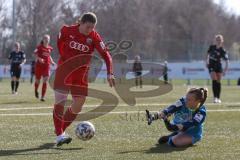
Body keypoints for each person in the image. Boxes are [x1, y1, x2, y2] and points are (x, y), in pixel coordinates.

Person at [53, 12, 115, 146]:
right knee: (60, 100)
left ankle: (60, 129)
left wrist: (110, 73)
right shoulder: (66, 30)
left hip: (80, 74)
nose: (90, 30)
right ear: (81, 23)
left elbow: (106, 55)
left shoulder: (94, 37)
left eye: (92, 27)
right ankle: (59, 135)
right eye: (88, 27)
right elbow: (59, 43)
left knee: (78, 105)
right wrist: (64, 57)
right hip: (64, 70)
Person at [206, 34, 229, 103]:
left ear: (222, 41)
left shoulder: (222, 50)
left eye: (219, 40)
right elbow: (207, 55)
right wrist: (206, 62)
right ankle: (215, 97)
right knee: (214, 79)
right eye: (217, 40)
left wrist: (225, 70)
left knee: (218, 81)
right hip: (211, 66)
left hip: (219, 66)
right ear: (215, 40)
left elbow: (227, 61)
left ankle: (218, 97)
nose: (218, 41)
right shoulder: (211, 47)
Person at [34, 34, 55, 101]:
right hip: (39, 66)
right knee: (37, 81)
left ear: (49, 40)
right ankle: (36, 90)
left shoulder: (50, 48)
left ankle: (42, 97)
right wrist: (39, 59)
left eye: (48, 39)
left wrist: (52, 61)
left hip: (46, 66)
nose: (46, 40)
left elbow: (49, 56)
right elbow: (35, 54)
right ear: (43, 40)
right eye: (45, 39)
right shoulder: (39, 47)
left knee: (45, 80)